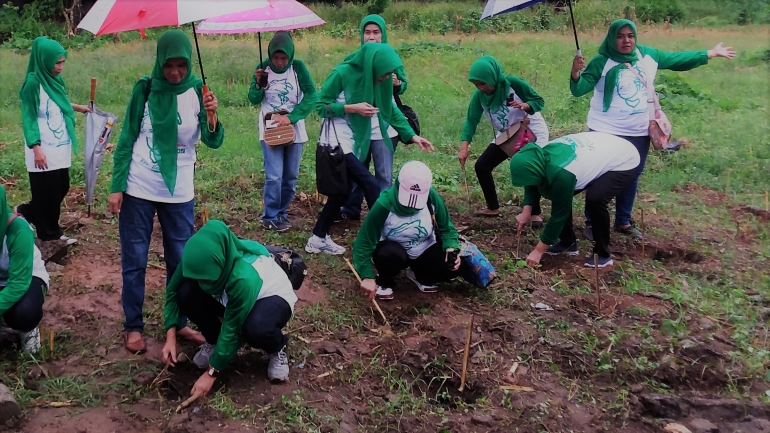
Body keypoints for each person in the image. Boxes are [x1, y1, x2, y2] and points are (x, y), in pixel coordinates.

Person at [108, 30, 224, 353]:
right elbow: (127, 139)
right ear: (160, 62)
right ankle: (134, 325)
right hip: (139, 187)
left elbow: (213, 141)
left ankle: (179, 322)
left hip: (179, 192)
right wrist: (117, 187)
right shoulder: (145, 89)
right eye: (169, 65)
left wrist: (212, 116)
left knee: (181, 260)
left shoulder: (199, 92)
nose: (175, 72)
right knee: (134, 259)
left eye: (181, 66)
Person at [570, 19, 735, 240]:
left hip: (638, 129)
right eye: (620, 36)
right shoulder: (601, 61)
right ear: (612, 38)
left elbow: (677, 60)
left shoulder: (646, 55)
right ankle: (592, 222)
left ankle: (623, 221)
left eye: (630, 35)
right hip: (604, 129)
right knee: (600, 174)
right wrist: (575, 73)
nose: (626, 40)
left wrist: (709, 54)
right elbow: (580, 89)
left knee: (632, 174)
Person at [306, 43, 433, 255]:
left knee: (341, 192)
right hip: (336, 141)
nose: (384, 79)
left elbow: (390, 110)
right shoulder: (342, 73)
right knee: (371, 184)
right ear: (371, 66)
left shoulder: (379, 79)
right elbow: (320, 106)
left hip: (356, 138)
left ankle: (317, 238)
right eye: (382, 75)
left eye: (387, 75)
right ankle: (382, 238)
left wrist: (412, 135)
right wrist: (351, 108)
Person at [161, 220, 299, 395]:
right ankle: (214, 341)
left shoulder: (243, 278)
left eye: (207, 279)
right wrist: (170, 337)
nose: (203, 284)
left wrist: (211, 373)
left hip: (269, 297)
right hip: (229, 296)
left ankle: (277, 348)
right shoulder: (195, 258)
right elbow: (172, 291)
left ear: (221, 262)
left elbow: (232, 327)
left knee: (254, 328)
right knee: (185, 292)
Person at [510, 132, 640, 268]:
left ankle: (603, 254)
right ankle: (568, 243)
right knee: (559, 194)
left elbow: (559, 215)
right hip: (599, 151)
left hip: (623, 159)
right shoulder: (537, 158)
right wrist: (527, 211)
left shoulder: (562, 174)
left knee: (595, 200)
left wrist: (538, 251)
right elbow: (531, 183)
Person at [458, 56, 550, 225]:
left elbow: (539, 101)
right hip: (509, 134)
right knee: (482, 165)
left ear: (492, 77)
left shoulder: (513, 84)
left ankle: (534, 213)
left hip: (530, 130)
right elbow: (471, 120)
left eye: (483, 83)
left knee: (529, 167)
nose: (480, 88)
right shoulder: (480, 96)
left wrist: (525, 106)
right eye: (476, 85)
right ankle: (493, 207)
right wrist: (464, 147)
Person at [354, 161, 465, 300]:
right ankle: (385, 281)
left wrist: (451, 247)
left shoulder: (432, 197)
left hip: (423, 249)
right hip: (395, 251)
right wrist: (367, 275)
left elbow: (447, 229)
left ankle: (419, 275)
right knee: (389, 255)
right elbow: (364, 241)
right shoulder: (383, 204)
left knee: (455, 264)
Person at [18, 36, 91, 245]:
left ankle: (26, 212)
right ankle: (50, 235)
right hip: (41, 147)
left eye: (62, 62)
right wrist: (36, 147)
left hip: (59, 145)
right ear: (43, 60)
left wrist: (79, 108)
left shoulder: (55, 80)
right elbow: (29, 116)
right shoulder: (32, 83)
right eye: (56, 62)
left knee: (61, 187)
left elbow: (59, 101)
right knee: (46, 191)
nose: (60, 67)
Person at [339, 14, 410, 221]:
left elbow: (403, 84)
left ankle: (382, 215)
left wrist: (398, 84)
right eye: (367, 32)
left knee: (383, 174)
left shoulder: (390, 57)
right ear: (361, 35)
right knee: (358, 170)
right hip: (359, 125)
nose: (371, 37)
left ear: (383, 34)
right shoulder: (354, 60)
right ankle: (350, 209)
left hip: (385, 124)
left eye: (376, 32)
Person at [248, 31, 318, 232]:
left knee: (290, 177)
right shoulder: (263, 68)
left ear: (290, 56)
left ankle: (281, 212)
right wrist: (258, 85)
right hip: (270, 128)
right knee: (274, 176)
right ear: (270, 55)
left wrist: (291, 117)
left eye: (283, 58)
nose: (279, 62)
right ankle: (269, 215)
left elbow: (312, 95)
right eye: (275, 58)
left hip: (293, 127)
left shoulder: (298, 68)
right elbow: (253, 99)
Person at [0, 185, 49, 353]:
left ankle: (29, 330)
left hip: (26, 279)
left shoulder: (18, 231)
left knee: (23, 313)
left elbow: (18, 284)